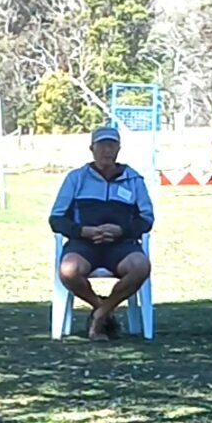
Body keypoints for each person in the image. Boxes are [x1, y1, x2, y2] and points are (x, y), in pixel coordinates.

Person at [49, 122, 155, 338]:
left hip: (122, 245)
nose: (107, 151)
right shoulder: (76, 178)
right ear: (92, 149)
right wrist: (83, 231)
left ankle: (99, 315)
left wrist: (121, 231)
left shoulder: (134, 180)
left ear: (118, 149)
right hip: (84, 244)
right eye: (102, 145)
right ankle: (103, 309)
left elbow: (146, 219)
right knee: (68, 270)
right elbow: (57, 219)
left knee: (141, 267)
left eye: (112, 145)